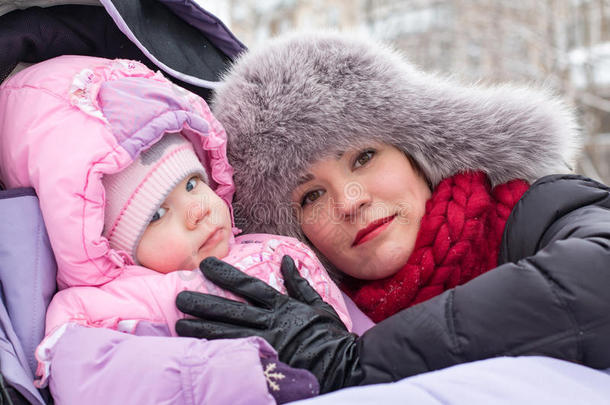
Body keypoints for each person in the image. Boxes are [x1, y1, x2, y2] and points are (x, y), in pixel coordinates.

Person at [173, 32, 610, 394]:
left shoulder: (537, 209)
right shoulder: (318, 325)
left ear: (420, 155)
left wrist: (357, 364)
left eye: (363, 157)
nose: (349, 201)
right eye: (310, 197)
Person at [0, 54, 351, 404]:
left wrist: (338, 346)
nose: (197, 211)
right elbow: (88, 378)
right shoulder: (98, 308)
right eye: (156, 214)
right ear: (112, 250)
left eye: (192, 184)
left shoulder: (280, 251)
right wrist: (234, 374)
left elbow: (365, 350)